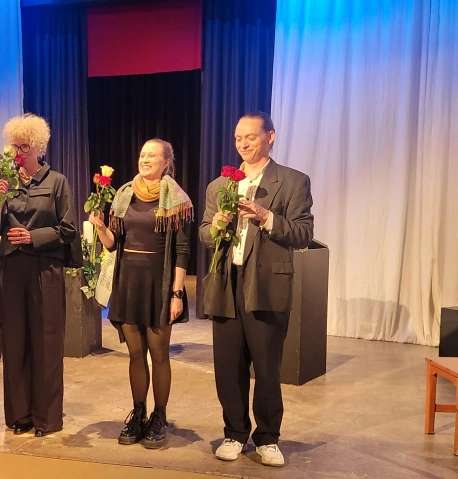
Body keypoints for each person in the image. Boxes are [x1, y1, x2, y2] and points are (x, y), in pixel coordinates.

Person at [200, 112, 313, 467]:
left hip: (266, 285)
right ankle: (234, 433)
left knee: (266, 368)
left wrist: (266, 217)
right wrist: (215, 226)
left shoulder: (292, 181)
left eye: (250, 137)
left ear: (270, 137)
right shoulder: (219, 186)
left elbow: (303, 234)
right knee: (228, 367)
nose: (243, 144)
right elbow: (204, 232)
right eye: (238, 138)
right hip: (226, 283)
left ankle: (267, 438)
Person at [88, 138, 192, 449]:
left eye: (152, 156)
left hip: (158, 284)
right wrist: (100, 227)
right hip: (128, 282)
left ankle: (159, 417)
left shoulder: (177, 198)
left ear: (166, 163)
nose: (145, 159)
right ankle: (138, 413)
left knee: (159, 354)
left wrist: (177, 294)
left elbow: (182, 250)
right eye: (142, 155)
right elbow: (113, 244)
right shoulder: (124, 194)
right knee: (135, 355)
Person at [0, 113, 77, 438]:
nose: (19, 152)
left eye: (24, 146)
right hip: (11, 269)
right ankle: (20, 416)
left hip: (44, 269)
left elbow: (68, 229)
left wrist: (33, 237)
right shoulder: (4, 182)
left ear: (38, 147)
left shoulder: (56, 182)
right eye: (14, 146)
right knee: (14, 341)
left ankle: (47, 418)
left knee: (46, 342)